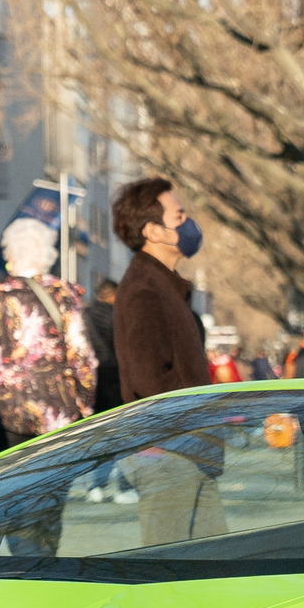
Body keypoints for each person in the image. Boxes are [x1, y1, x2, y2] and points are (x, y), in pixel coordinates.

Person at [108, 177, 224, 543]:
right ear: (153, 231)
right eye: (179, 215)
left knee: (217, 567)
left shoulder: (164, 286)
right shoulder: (144, 290)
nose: (189, 223)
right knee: (169, 569)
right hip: (170, 454)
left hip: (189, 452)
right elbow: (149, 380)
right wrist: (196, 425)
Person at [0, 215, 95, 453]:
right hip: (57, 415)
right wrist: (84, 404)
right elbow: (81, 356)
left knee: (10, 485)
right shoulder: (63, 296)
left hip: (4, 414)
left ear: (9, 255)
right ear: (48, 253)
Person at [83, 277, 122, 411]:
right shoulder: (116, 315)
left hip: (90, 373)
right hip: (112, 375)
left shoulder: (84, 313)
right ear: (113, 296)